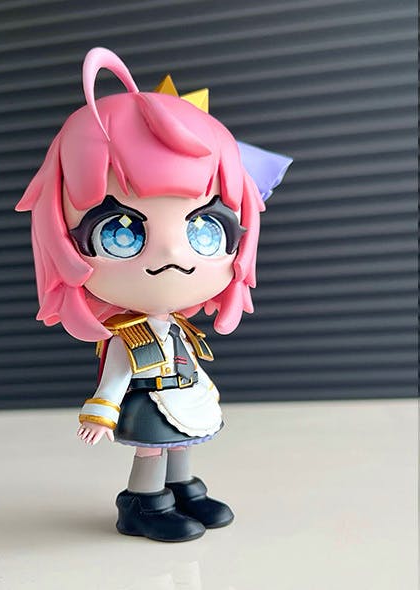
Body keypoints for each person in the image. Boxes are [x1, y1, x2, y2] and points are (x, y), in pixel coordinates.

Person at [16, 47, 291, 541]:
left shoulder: (178, 325)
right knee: (153, 449)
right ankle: (144, 502)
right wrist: (101, 412)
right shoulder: (128, 331)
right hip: (148, 399)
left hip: (182, 394)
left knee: (183, 443)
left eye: (205, 230)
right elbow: (116, 374)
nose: (172, 254)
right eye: (119, 233)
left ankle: (184, 491)